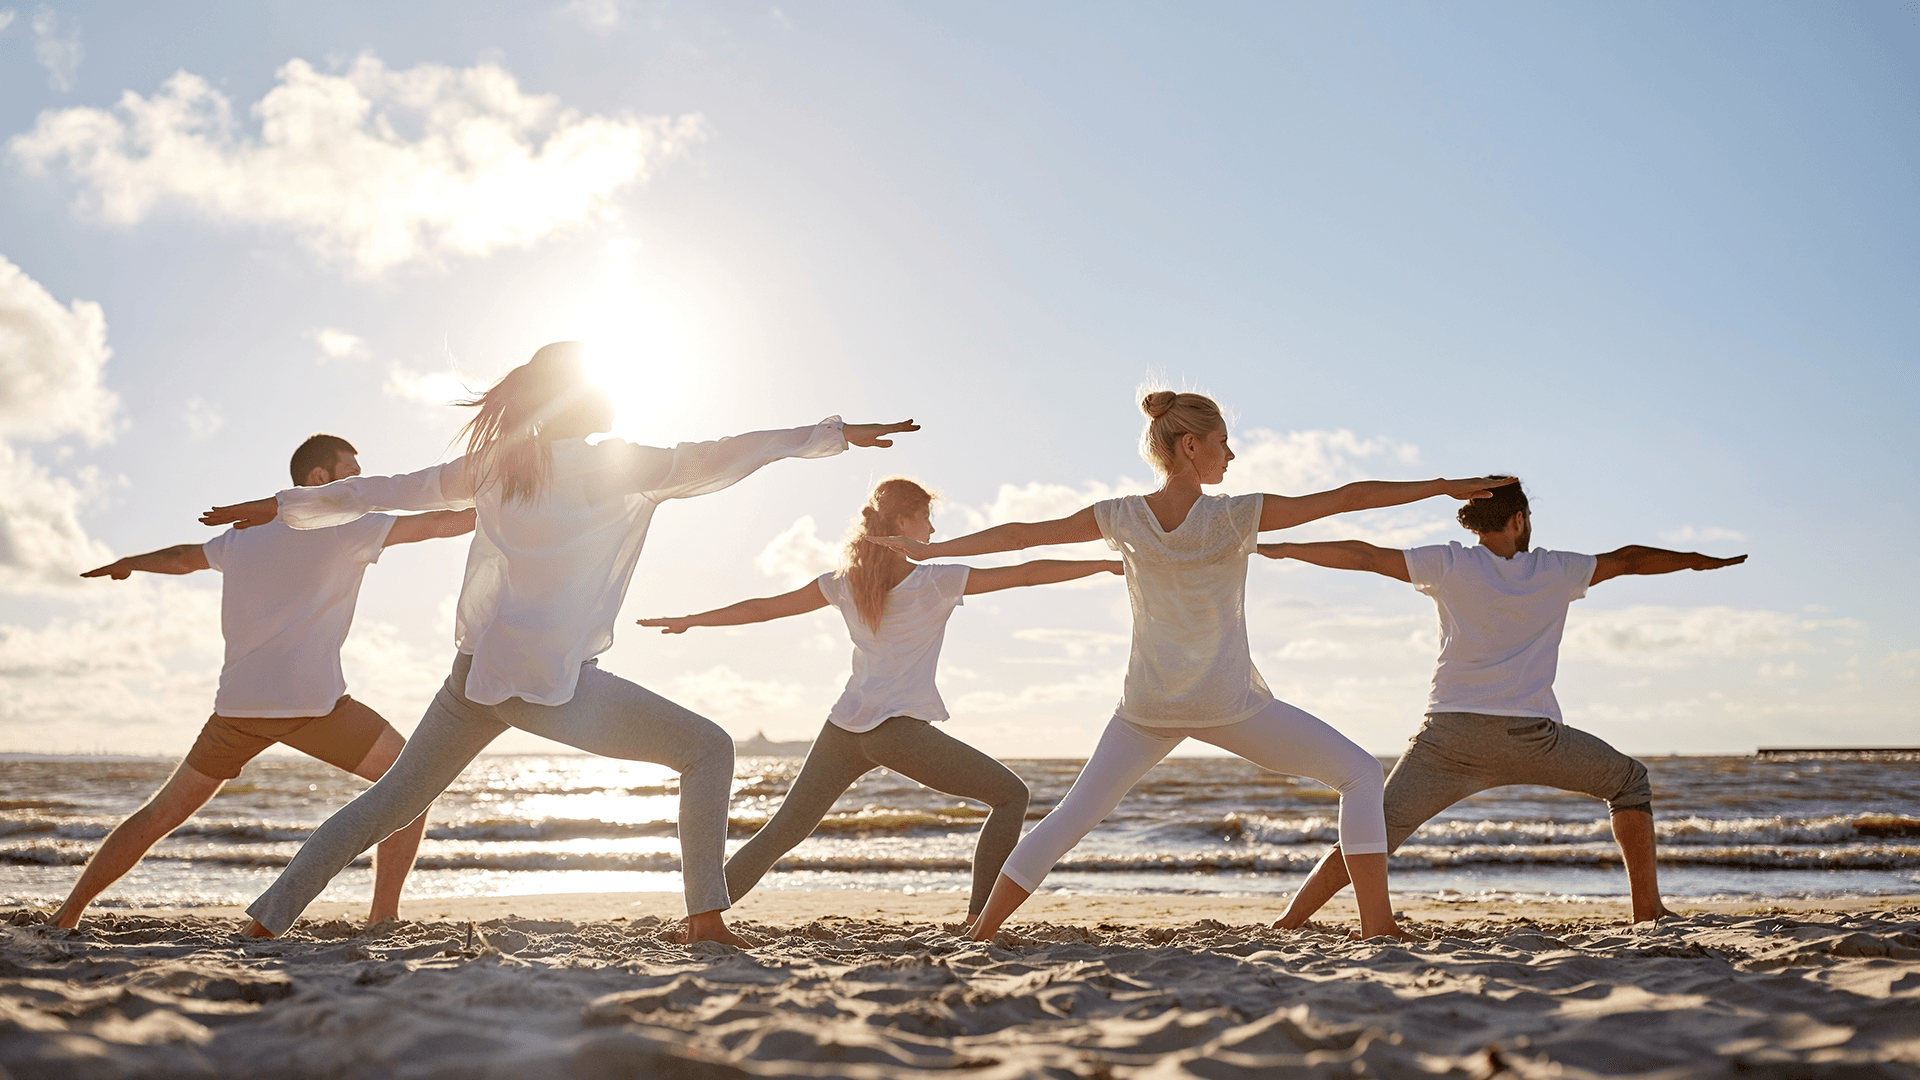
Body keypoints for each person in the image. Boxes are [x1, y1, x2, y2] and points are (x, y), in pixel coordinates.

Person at [200, 342, 918, 946]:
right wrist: (831, 436)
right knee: (709, 749)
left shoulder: (500, 466)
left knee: (390, 802)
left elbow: (383, 490)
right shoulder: (617, 464)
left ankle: (265, 923)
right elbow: (727, 452)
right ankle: (705, 920)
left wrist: (278, 507)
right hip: (544, 683)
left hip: (476, 673)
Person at [875, 390, 1514, 941]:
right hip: (1227, 703)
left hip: (1147, 707)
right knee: (1357, 774)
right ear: (1189, 447)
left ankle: (981, 934)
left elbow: (1021, 534)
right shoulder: (1236, 516)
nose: (1230, 456)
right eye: (1223, 443)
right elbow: (1346, 497)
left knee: (1071, 816)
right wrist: (1439, 486)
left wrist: (935, 551)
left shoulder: (1122, 515)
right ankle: (1378, 928)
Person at [1262, 477, 1746, 927]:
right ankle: (1648, 910)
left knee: (1374, 831)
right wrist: (1697, 560)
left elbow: (1364, 555)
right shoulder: (1556, 569)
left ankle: (1290, 920)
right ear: (1518, 520)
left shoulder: (1449, 563)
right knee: (1629, 782)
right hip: (1531, 738)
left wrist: (1282, 549)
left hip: (1450, 739)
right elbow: (1630, 559)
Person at [639, 477, 1123, 919]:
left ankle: (697, 921)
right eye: (926, 518)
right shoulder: (935, 580)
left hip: (844, 728)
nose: (932, 530)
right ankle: (979, 925)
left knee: (779, 835)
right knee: (1011, 796)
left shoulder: (845, 581)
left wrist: (693, 620)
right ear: (900, 523)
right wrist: (1100, 564)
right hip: (897, 732)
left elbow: (766, 608)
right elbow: (1025, 574)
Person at [54, 434, 475, 929]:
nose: (360, 484)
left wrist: (130, 563)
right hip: (311, 709)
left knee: (159, 815)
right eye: (351, 473)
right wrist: (514, 498)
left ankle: (67, 913)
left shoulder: (245, 535)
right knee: (411, 783)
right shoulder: (348, 529)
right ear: (318, 479)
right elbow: (444, 523)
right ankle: (383, 914)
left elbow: (184, 557)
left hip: (237, 710)